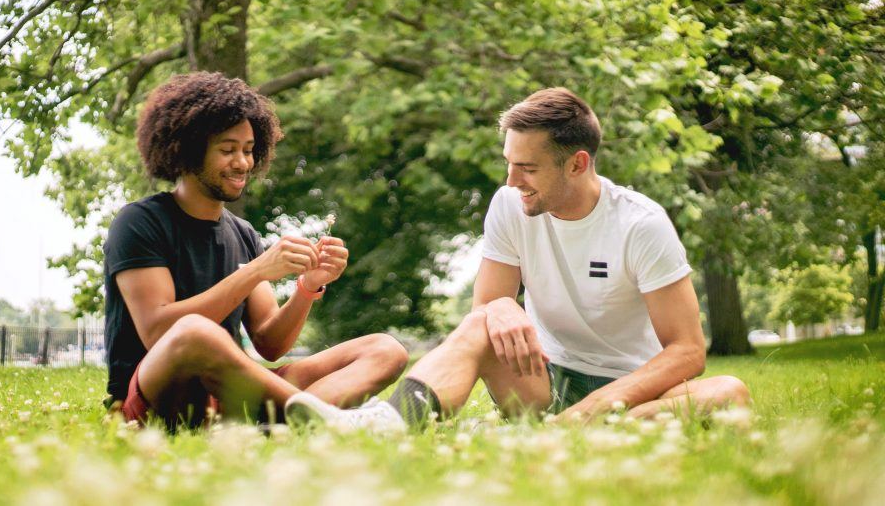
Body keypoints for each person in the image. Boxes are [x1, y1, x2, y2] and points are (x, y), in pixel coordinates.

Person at [285, 87, 750, 431]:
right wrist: (502, 307)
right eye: (509, 162)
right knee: (478, 326)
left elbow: (687, 351)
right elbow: (484, 313)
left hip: (633, 387)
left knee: (729, 393)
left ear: (577, 163)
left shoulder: (640, 224)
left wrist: (592, 408)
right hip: (543, 378)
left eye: (527, 168)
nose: (511, 180)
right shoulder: (509, 204)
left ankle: (577, 430)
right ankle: (387, 423)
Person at [102, 72, 408, 429]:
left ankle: (287, 420)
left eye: (248, 150)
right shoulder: (139, 222)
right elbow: (158, 333)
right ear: (186, 151)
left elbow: (270, 343)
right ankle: (329, 420)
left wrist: (308, 287)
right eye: (227, 150)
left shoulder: (242, 233)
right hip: (155, 398)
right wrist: (255, 271)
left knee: (385, 349)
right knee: (194, 332)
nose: (243, 163)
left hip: (227, 397)